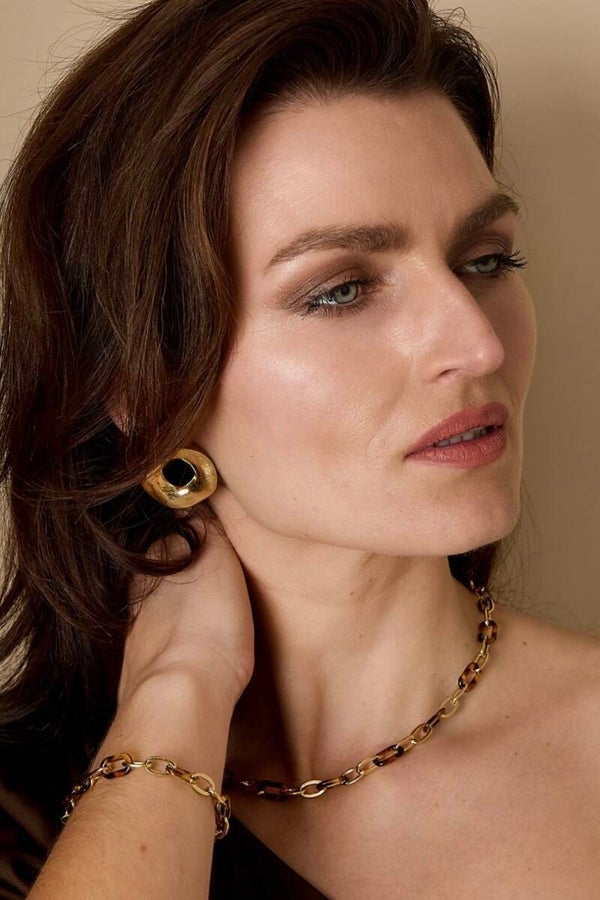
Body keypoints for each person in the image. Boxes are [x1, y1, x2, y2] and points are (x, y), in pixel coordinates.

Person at [0, 0, 598, 896]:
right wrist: (177, 698)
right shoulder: (25, 809)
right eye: (342, 289)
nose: (479, 346)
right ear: (141, 388)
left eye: (485, 260)